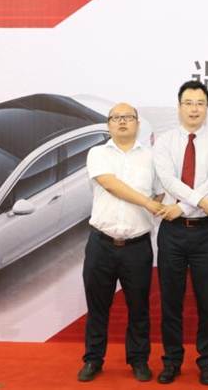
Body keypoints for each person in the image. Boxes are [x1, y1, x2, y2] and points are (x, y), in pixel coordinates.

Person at [77, 103, 164, 383]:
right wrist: (147, 204)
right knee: (97, 307)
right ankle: (93, 359)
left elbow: (160, 193)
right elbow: (110, 183)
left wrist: (151, 206)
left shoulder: (151, 157)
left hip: (137, 246)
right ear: (109, 124)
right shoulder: (97, 153)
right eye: (116, 118)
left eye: (128, 117)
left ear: (137, 123)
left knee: (139, 308)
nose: (122, 122)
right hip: (101, 243)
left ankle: (138, 360)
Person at [153, 80, 208, 385]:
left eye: (200, 103)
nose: (194, 109)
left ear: (207, 107)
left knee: (207, 302)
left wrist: (183, 207)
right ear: (179, 106)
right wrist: (196, 204)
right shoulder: (165, 141)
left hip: (206, 233)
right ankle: (171, 360)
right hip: (172, 233)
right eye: (188, 102)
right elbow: (168, 180)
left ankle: (207, 361)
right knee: (171, 301)